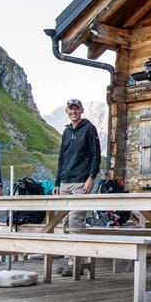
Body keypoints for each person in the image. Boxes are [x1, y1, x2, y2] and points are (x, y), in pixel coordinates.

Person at [56, 98, 101, 268]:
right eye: (70, 109)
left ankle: (77, 262)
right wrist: (57, 182)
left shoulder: (89, 129)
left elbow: (95, 154)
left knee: (76, 219)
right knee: (66, 221)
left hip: (81, 182)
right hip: (65, 182)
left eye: (76, 109)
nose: (73, 112)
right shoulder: (66, 132)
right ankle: (70, 259)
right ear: (67, 112)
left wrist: (91, 177)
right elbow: (62, 157)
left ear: (81, 110)